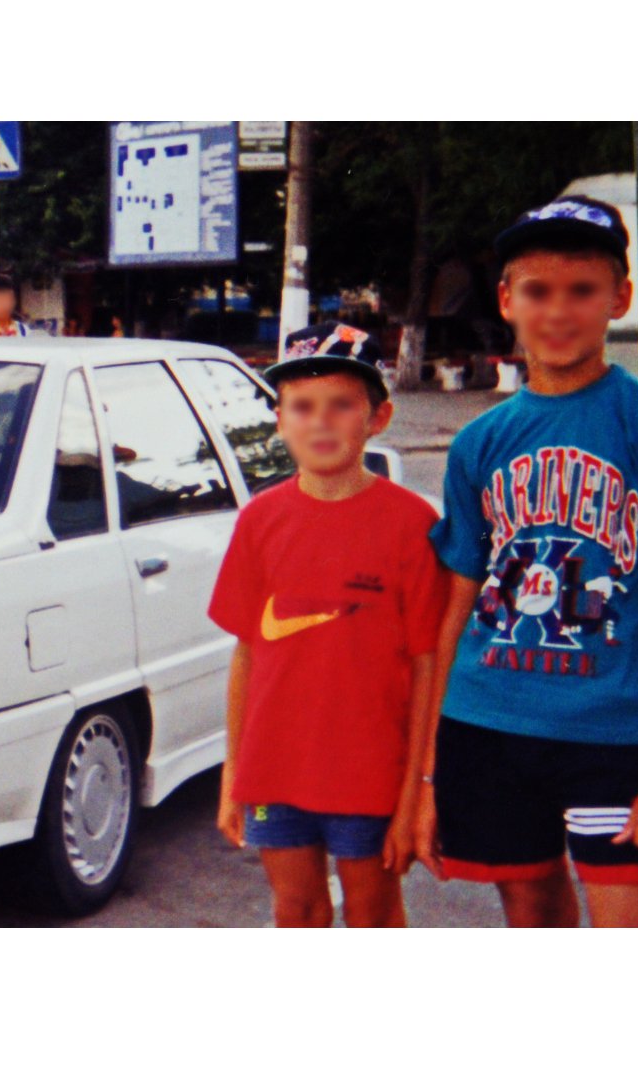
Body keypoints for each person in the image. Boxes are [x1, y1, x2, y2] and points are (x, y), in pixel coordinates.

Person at [419, 196, 638, 928]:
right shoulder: (479, 441)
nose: (559, 311)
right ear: (507, 299)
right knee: (533, 921)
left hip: (618, 731)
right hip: (491, 722)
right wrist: (429, 771)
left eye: (582, 290)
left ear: (619, 297)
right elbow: (456, 607)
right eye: (538, 290)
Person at [208, 322, 448, 927]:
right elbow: (247, 654)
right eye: (303, 407)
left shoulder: (413, 523)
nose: (321, 422)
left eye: (341, 405)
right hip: (275, 767)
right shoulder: (260, 520)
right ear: (280, 420)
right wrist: (235, 770)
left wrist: (419, 789)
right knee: (297, 909)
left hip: (373, 772)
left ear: (378, 417)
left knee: (372, 915)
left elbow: (427, 665)